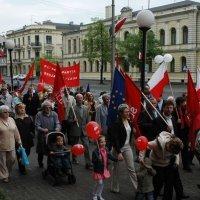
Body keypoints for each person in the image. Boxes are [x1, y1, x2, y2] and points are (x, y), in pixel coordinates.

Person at [139, 131, 185, 200]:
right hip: (156, 164)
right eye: (170, 151)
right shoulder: (156, 144)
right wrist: (141, 158)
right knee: (158, 184)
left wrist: (176, 162)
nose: (170, 152)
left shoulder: (175, 145)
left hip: (167, 164)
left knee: (169, 184)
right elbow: (144, 146)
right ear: (168, 145)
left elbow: (176, 153)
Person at [110, 104, 138, 193]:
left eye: (128, 111)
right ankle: (115, 187)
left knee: (131, 168)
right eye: (126, 112)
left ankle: (138, 189)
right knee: (116, 169)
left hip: (127, 147)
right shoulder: (116, 123)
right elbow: (115, 139)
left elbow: (127, 133)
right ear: (121, 113)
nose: (128, 113)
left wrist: (133, 131)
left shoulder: (129, 121)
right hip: (118, 148)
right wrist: (118, 152)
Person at [68, 93, 93, 169]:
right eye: (78, 98)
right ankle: (74, 158)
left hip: (84, 130)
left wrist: (89, 129)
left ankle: (88, 163)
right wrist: (73, 120)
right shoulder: (72, 108)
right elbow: (68, 120)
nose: (80, 100)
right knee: (75, 145)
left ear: (83, 99)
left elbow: (88, 119)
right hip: (75, 130)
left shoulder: (86, 108)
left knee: (86, 146)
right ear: (76, 99)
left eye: (81, 98)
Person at [35, 100, 61, 168]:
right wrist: (43, 129)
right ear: (43, 108)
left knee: (51, 150)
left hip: (52, 134)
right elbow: (37, 126)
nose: (48, 109)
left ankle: (50, 164)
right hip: (42, 135)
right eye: (46, 107)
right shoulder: (39, 114)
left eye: (49, 107)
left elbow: (57, 123)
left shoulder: (54, 114)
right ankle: (40, 162)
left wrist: (57, 128)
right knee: (41, 150)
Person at [92, 135, 118, 200]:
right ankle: (94, 194)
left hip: (104, 169)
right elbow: (93, 161)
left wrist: (116, 159)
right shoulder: (95, 151)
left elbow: (109, 156)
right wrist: (98, 158)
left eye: (104, 141)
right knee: (99, 182)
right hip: (98, 170)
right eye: (101, 142)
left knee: (102, 183)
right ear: (98, 143)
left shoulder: (106, 149)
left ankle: (99, 194)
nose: (103, 143)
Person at [0, 105, 21, 183]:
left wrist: (19, 141)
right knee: (2, 162)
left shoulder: (11, 119)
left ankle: (7, 172)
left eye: (8, 112)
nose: (7, 113)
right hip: (1, 145)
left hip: (11, 144)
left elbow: (16, 131)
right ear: (1, 113)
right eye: (5, 112)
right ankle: (5, 176)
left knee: (12, 159)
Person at [15, 103, 35, 174]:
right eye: (20, 108)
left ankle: (22, 160)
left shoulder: (29, 117)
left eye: (23, 108)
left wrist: (32, 134)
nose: (22, 109)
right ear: (17, 110)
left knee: (27, 152)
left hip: (28, 138)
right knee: (20, 153)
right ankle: (22, 168)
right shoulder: (15, 119)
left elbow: (32, 127)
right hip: (19, 139)